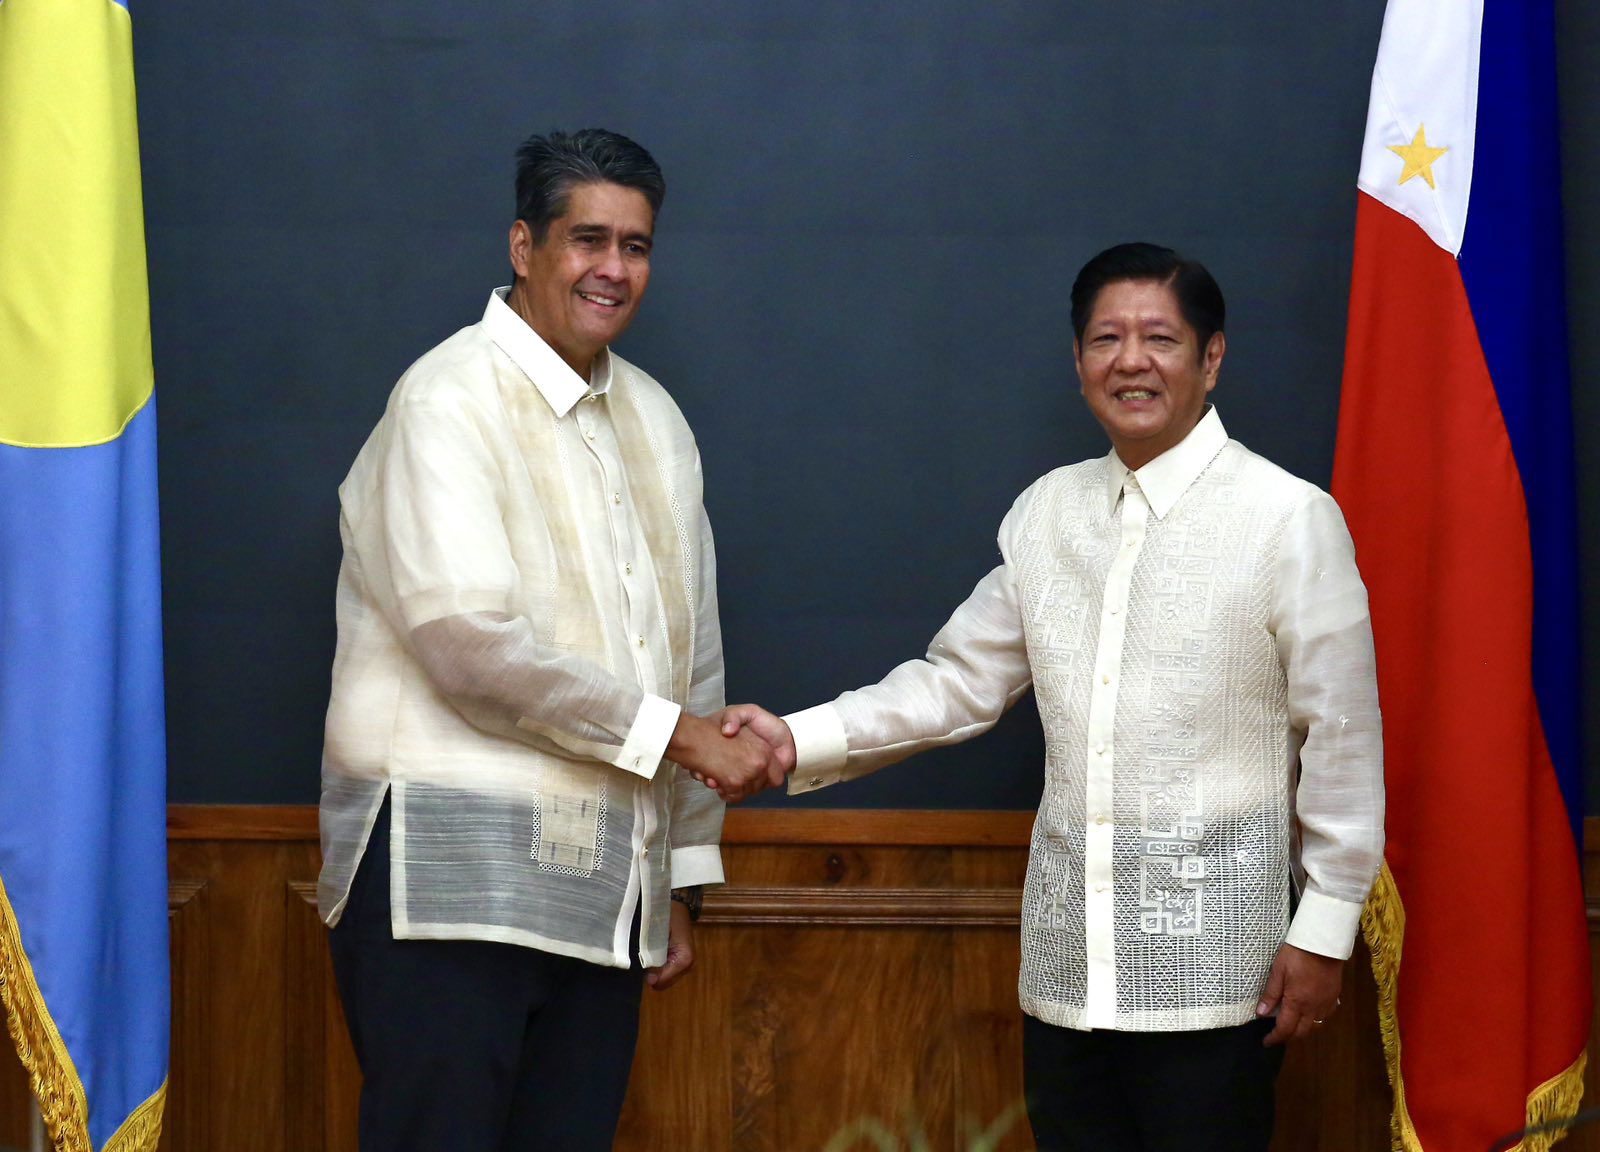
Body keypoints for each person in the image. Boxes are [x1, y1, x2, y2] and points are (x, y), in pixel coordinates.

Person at [719, 243, 1385, 1152]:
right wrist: (795, 738)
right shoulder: (1047, 514)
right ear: (1079, 365)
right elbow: (956, 683)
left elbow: (1342, 737)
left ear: (1211, 357)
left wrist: (1326, 931)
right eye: (1106, 338)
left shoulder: (1288, 518)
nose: (1131, 360)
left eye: (1160, 337)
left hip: (1222, 972)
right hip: (1067, 972)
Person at [316, 128, 783, 1152]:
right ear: (524, 245)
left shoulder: (656, 420)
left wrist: (676, 878)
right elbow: (467, 649)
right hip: (445, 887)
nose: (613, 269)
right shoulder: (446, 400)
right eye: (587, 240)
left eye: (636, 245)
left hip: (602, 894)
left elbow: (688, 655)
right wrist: (682, 738)